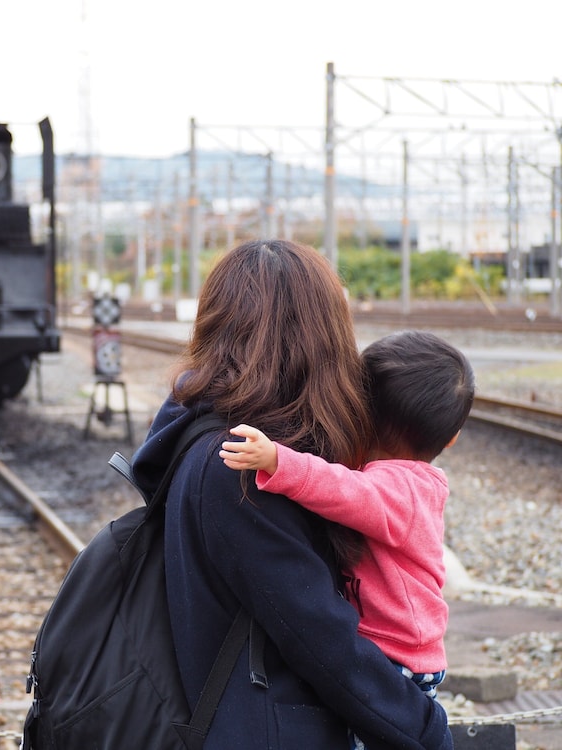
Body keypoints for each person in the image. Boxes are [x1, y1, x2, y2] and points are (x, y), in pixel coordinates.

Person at [129, 240, 452, 749]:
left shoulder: (207, 436)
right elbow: (320, 637)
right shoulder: (238, 465)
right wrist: (426, 729)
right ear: (315, 339)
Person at [221, 330, 474, 748]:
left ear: (362, 412)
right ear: (452, 437)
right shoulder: (402, 481)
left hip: (399, 659)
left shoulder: (402, 490)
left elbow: (343, 490)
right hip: (397, 651)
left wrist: (277, 460)